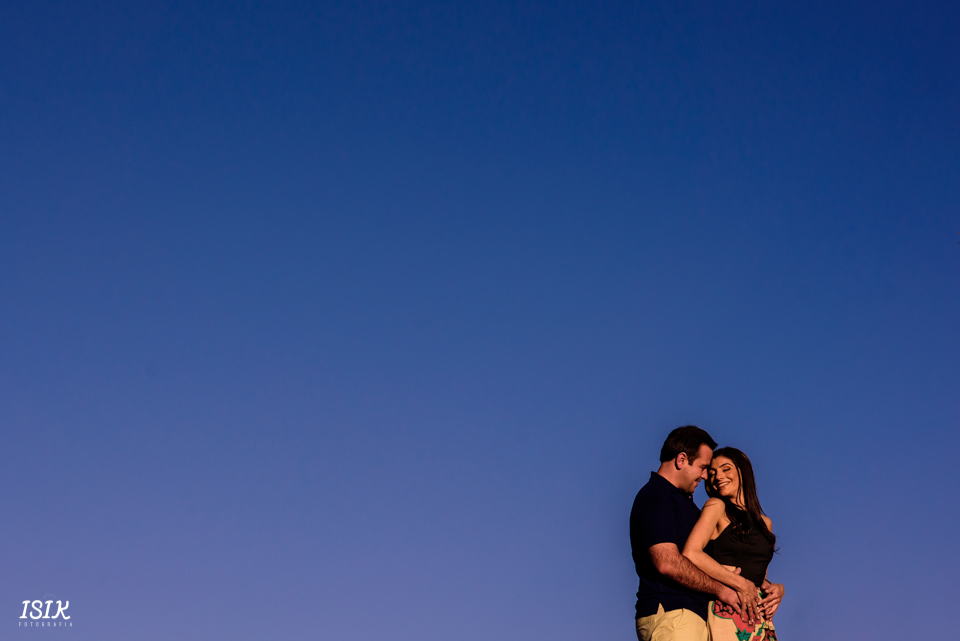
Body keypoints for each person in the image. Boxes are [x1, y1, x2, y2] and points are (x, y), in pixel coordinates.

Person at [630, 426, 745, 641]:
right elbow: (667, 562)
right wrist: (720, 589)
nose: (705, 475)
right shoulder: (656, 496)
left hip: (693, 617)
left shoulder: (684, 504)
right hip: (673, 615)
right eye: (703, 467)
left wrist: (768, 587)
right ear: (681, 459)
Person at [682, 447, 784, 641]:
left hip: (760, 618)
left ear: (743, 472)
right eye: (712, 473)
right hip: (728, 611)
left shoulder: (766, 524)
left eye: (725, 469)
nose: (717, 476)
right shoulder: (716, 506)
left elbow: (756, 577)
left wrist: (777, 588)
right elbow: (691, 553)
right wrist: (738, 582)